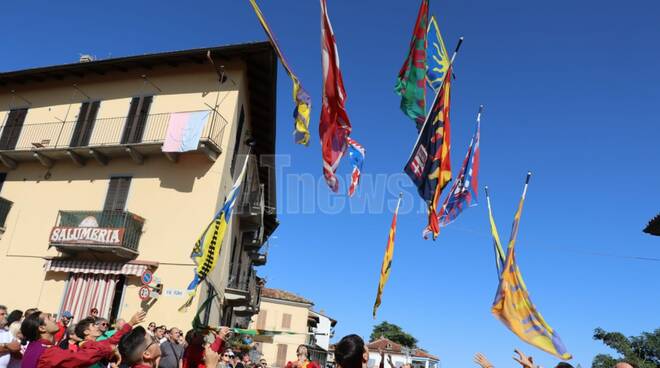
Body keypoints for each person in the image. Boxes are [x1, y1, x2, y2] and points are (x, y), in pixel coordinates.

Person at [19, 310, 115, 368]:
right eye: (49, 317)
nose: (54, 318)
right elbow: (83, 358)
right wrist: (108, 348)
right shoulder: (47, 352)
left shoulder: (35, 346)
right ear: (42, 328)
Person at [75, 311, 146, 368]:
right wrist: (112, 349)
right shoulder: (84, 345)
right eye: (93, 325)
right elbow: (106, 346)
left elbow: (114, 339)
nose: (97, 326)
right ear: (86, 332)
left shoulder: (98, 343)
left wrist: (131, 323)